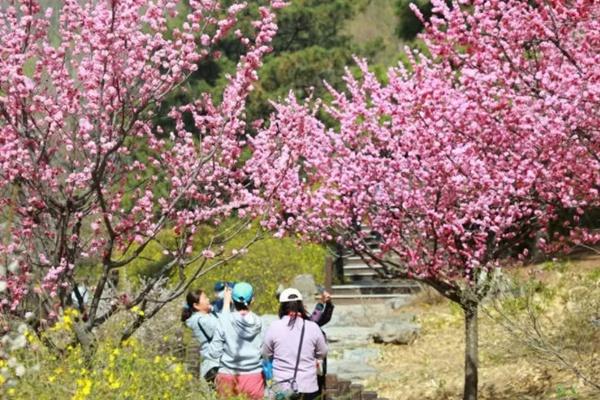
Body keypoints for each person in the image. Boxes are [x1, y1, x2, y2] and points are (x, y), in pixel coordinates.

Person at [263, 288, 328, 400]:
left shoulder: (274, 327)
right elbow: (323, 352)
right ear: (301, 305)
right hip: (308, 386)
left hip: (281, 387)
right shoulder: (313, 327)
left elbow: (265, 353)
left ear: (282, 306)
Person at [208, 282, 264, 399]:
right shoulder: (259, 322)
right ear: (252, 300)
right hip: (253, 377)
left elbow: (214, 353)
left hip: (227, 376)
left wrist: (226, 304)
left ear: (232, 301)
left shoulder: (224, 320)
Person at [181, 289, 220, 383]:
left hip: (214, 365)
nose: (208, 299)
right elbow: (224, 328)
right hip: (214, 366)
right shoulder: (201, 320)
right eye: (205, 298)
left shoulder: (206, 316)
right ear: (196, 305)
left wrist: (212, 310)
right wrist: (226, 303)